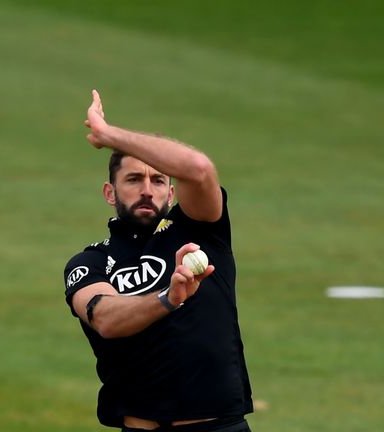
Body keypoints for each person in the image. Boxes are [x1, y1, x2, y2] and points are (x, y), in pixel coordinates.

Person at [63, 90, 253, 431]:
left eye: (158, 180)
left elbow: (198, 168)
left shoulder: (201, 231)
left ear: (172, 192)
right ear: (110, 193)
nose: (147, 190)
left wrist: (109, 136)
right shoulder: (91, 261)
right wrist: (168, 299)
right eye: (134, 179)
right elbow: (106, 319)